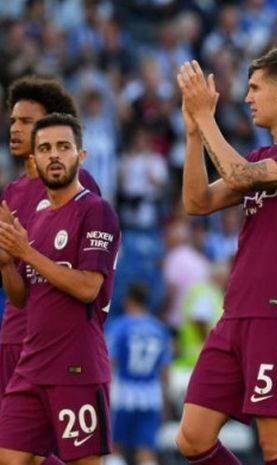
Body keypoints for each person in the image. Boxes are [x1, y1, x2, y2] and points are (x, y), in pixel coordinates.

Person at [175, 47, 277, 465]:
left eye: (255, 88)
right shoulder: (257, 157)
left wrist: (208, 118)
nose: (247, 97)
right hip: (236, 314)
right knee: (192, 439)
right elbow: (196, 202)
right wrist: (194, 131)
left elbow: (237, 176)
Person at [0, 113, 120, 464]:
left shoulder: (96, 211)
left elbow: (87, 288)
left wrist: (26, 252)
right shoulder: (35, 221)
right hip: (31, 365)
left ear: (80, 156)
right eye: (46, 148)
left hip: (76, 366)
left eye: (63, 147)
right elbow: (22, 298)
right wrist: (8, 262)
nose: (54, 155)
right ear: (34, 161)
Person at [1, 77, 101, 403]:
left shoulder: (78, 186)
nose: (15, 128)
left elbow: (86, 277)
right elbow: (16, 283)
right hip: (13, 336)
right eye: (13, 120)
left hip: (57, 342)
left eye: (26, 121)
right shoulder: (12, 192)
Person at [107, 283, 171, 465]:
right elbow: (164, 370)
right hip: (150, 396)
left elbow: (111, 362)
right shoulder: (158, 329)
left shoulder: (119, 327)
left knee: (114, 448)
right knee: (146, 450)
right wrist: (165, 402)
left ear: (128, 300)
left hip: (123, 395)